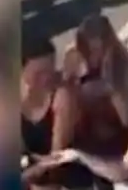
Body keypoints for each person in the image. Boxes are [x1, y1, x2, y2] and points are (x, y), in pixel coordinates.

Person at [61, 15, 128, 157]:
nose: (94, 56)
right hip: (82, 130)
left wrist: (110, 82)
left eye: (99, 50)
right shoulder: (74, 56)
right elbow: (64, 99)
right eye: (88, 50)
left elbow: (126, 118)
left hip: (116, 133)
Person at [20, 38, 84, 189]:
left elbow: (58, 157)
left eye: (50, 69)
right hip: (29, 173)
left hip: (62, 173)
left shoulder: (62, 96)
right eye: (39, 73)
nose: (47, 77)